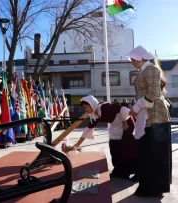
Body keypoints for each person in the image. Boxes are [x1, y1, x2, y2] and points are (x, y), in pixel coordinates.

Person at [126, 45, 172, 197]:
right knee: (148, 152)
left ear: (141, 58)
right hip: (147, 116)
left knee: (155, 153)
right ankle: (148, 186)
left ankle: (154, 188)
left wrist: (136, 107)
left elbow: (152, 94)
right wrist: (137, 107)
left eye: (133, 59)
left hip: (155, 117)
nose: (132, 62)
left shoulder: (151, 69)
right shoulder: (145, 70)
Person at [73, 95, 139, 181]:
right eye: (84, 108)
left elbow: (123, 109)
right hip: (115, 127)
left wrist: (125, 123)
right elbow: (88, 129)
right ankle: (119, 171)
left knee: (127, 149)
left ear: (92, 105)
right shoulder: (94, 115)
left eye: (86, 107)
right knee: (114, 147)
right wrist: (77, 144)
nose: (85, 110)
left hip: (126, 124)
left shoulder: (104, 107)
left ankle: (138, 172)